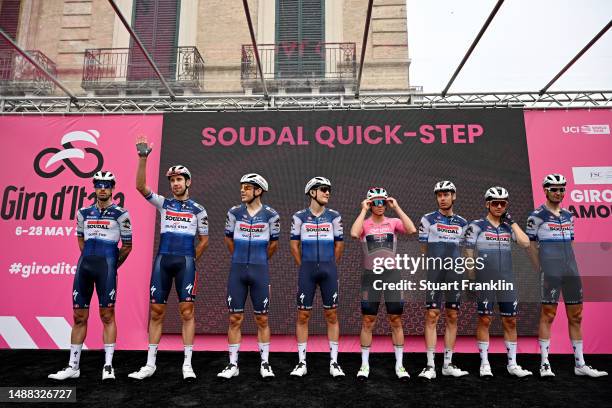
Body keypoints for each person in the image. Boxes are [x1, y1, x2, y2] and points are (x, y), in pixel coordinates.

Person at [128, 137, 209, 381]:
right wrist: (143, 158)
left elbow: (204, 240)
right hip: (162, 262)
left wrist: (190, 260)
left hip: (185, 263)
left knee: (187, 312)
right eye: (172, 180)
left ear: (188, 182)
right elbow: (141, 187)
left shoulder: (199, 209)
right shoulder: (164, 203)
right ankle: (150, 364)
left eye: (179, 180)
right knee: (156, 311)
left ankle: (187, 365)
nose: (175, 184)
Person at [48, 171, 132, 381]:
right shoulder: (83, 212)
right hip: (84, 268)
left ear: (112, 188)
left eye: (106, 185)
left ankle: (108, 366)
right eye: (99, 185)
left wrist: (112, 265)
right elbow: (81, 241)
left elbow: (128, 246)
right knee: (79, 317)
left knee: (107, 316)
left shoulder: (121, 214)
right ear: (94, 188)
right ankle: (73, 366)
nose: (102, 188)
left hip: (107, 269)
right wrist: (89, 259)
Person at [526, 173, 608, 378]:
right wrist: (541, 268)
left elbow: (571, 244)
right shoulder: (536, 216)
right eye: (554, 188)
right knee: (549, 315)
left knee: (577, 316)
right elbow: (530, 247)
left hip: (571, 271)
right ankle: (544, 363)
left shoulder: (569, 216)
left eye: (562, 188)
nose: (558, 192)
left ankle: (580, 364)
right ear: (545, 190)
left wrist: (574, 266)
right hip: (550, 272)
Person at [464, 186, 532, 378]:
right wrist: (470, 277)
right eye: (495, 203)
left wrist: (512, 222)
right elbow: (468, 252)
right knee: (485, 319)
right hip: (484, 278)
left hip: (507, 279)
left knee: (510, 320)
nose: (499, 206)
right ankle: (485, 363)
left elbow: (526, 243)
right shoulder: (476, 226)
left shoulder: (508, 227)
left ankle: (512, 364)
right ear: (488, 204)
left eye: (503, 203)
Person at [217, 174, 280, 380]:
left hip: (259, 270)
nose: (242, 190)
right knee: (235, 318)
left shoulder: (272, 215)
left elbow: (273, 245)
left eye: (247, 187)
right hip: (237, 270)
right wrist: (240, 258)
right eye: (241, 187)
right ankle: (233, 364)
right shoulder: (233, 212)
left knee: (262, 318)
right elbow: (228, 240)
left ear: (258, 191)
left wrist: (258, 259)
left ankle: (265, 363)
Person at [350, 187, 417, 380]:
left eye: (382, 202)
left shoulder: (393, 222)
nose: (380, 206)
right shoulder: (365, 224)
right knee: (368, 321)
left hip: (392, 276)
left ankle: (400, 366)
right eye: (375, 202)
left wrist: (396, 208)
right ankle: (364, 365)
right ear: (370, 204)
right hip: (371, 277)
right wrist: (363, 210)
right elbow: (354, 233)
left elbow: (412, 229)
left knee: (395, 320)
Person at [290, 177, 345, 378]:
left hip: (329, 271)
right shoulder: (299, 217)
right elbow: (294, 245)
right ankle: (301, 362)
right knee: (303, 316)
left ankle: (334, 363)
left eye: (329, 190)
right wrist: (304, 265)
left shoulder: (334, 216)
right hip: (307, 271)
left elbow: (339, 244)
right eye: (323, 189)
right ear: (312, 192)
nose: (327, 193)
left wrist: (331, 264)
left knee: (332, 315)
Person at [417, 181, 469, 380]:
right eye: (439, 195)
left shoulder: (463, 223)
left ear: (453, 196)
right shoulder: (428, 219)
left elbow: (464, 250)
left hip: (454, 273)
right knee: (432, 314)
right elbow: (423, 247)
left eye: (446, 194)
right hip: (435, 272)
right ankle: (430, 366)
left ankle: (448, 364)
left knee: (453, 316)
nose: (442, 198)